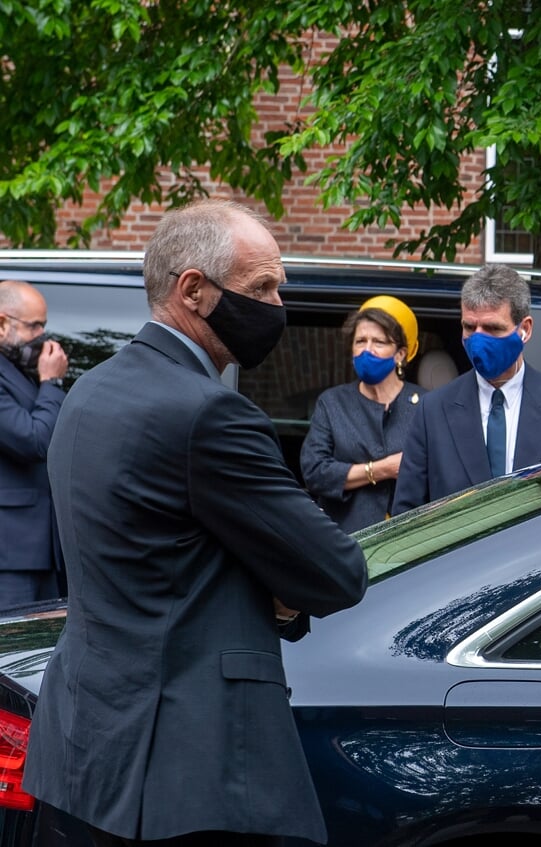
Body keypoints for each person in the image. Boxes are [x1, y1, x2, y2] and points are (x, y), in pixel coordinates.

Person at [23, 199, 369, 846]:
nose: (276, 306)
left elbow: (153, 551)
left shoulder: (87, 392)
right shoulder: (210, 414)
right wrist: (278, 587)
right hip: (188, 778)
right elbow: (337, 571)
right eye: (261, 286)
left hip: (80, 753)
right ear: (193, 290)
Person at [393, 264, 541, 513]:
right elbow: (407, 516)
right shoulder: (433, 412)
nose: (478, 339)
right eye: (470, 327)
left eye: (493, 328)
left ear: (525, 329)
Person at [301, 296, 426, 532]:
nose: (367, 351)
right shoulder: (333, 403)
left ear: (400, 354)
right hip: (345, 539)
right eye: (360, 341)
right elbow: (315, 472)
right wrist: (384, 468)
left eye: (378, 342)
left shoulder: (426, 405)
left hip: (410, 541)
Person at [0, 280, 69, 607]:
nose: (44, 336)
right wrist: (52, 381)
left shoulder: (18, 370)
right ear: (2, 323)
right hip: (11, 553)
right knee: (14, 653)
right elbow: (34, 440)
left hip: (43, 549)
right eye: (35, 326)